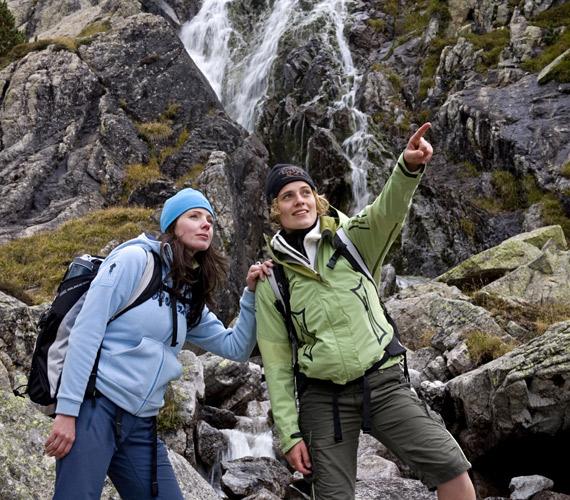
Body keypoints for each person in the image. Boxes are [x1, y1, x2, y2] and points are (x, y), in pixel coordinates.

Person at [255, 123, 476, 499]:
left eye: (305, 192)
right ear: (276, 210)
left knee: (450, 467)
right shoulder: (271, 280)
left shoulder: (352, 240)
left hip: (382, 382)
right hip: (323, 399)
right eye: (288, 196)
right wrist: (290, 434)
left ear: (317, 199)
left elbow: (387, 211)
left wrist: (407, 167)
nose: (299, 201)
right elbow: (275, 363)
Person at [44, 187, 272, 499]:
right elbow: (86, 331)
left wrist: (250, 295)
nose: (206, 224)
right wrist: (67, 412)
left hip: (141, 424)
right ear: (172, 225)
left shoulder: (187, 292)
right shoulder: (133, 260)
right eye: (194, 216)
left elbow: (236, 348)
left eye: (210, 219)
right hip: (95, 409)